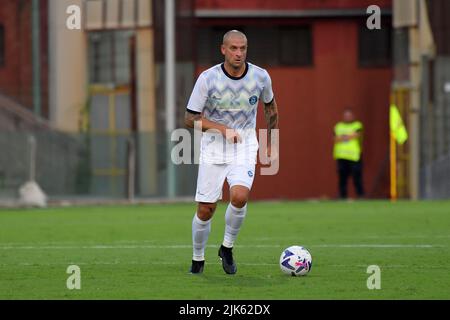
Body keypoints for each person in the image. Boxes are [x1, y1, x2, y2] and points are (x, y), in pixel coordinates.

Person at [184, 30, 279, 274]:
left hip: (244, 146)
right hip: (214, 148)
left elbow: (270, 108)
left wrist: (270, 140)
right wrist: (222, 129)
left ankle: (227, 247)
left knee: (239, 196)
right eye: (234, 48)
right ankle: (198, 258)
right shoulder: (208, 78)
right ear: (223, 49)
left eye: (243, 48)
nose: (239, 53)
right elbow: (190, 119)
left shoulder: (260, 76)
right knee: (206, 210)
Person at [333, 109, 364, 199]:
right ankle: (342, 196)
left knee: (357, 177)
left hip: (354, 156)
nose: (347, 117)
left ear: (353, 116)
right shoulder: (338, 126)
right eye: (346, 115)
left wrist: (342, 137)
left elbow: (357, 135)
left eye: (349, 115)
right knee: (342, 178)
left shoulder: (357, 125)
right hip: (341, 156)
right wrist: (349, 136)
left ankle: (360, 195)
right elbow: (335, 138)